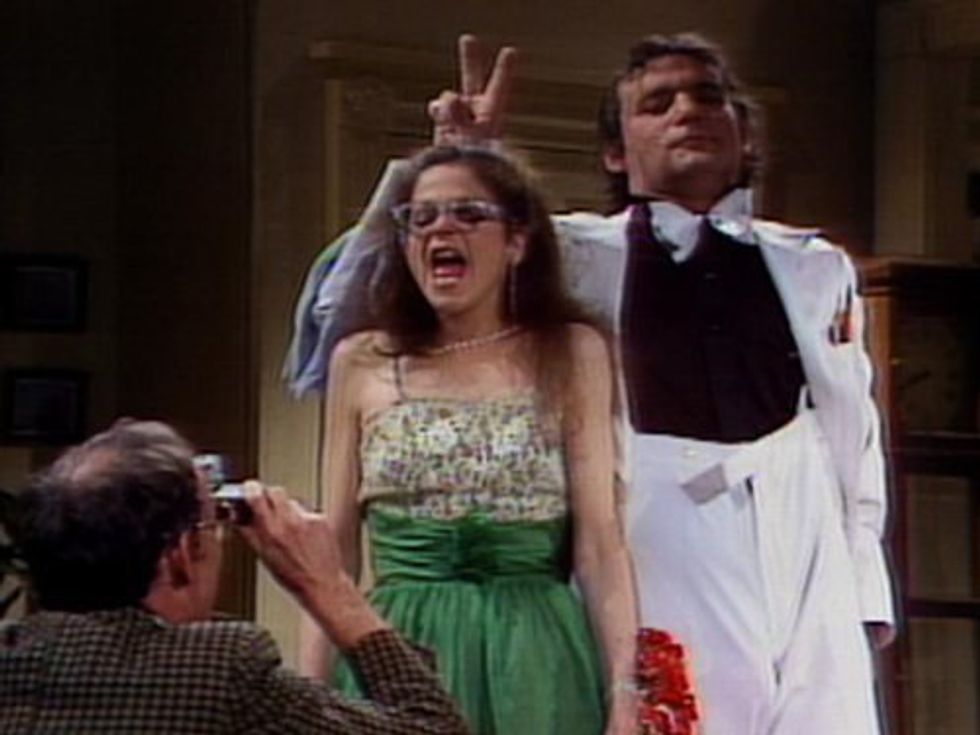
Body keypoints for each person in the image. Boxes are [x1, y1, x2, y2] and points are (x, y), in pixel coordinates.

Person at [286, 32, 896, 735]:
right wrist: (465, 156)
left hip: (800, 516)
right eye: (658, 104)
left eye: (708, 97)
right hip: (664, 523)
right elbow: (356, 300)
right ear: (615, 152)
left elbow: (855, 433)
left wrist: (863, 585)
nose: (688, 112)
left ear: (746, 133)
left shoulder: (815, 266)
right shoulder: (575, 250)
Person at [296, 144, 638, 735]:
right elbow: (336, 552)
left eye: (468, 214)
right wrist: (308, 699)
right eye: (421, 218)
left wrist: (626, 695)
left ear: (517, 242)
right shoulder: (361, 361)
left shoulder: (572, 351)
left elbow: (600, 544)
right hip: (398, 654)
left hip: (536, 657)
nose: (440, 230)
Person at [0, 420, 469, 734]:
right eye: (212, 524)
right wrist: (328, 588)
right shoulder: (219, 670)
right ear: (182, 554)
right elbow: (431, 729)